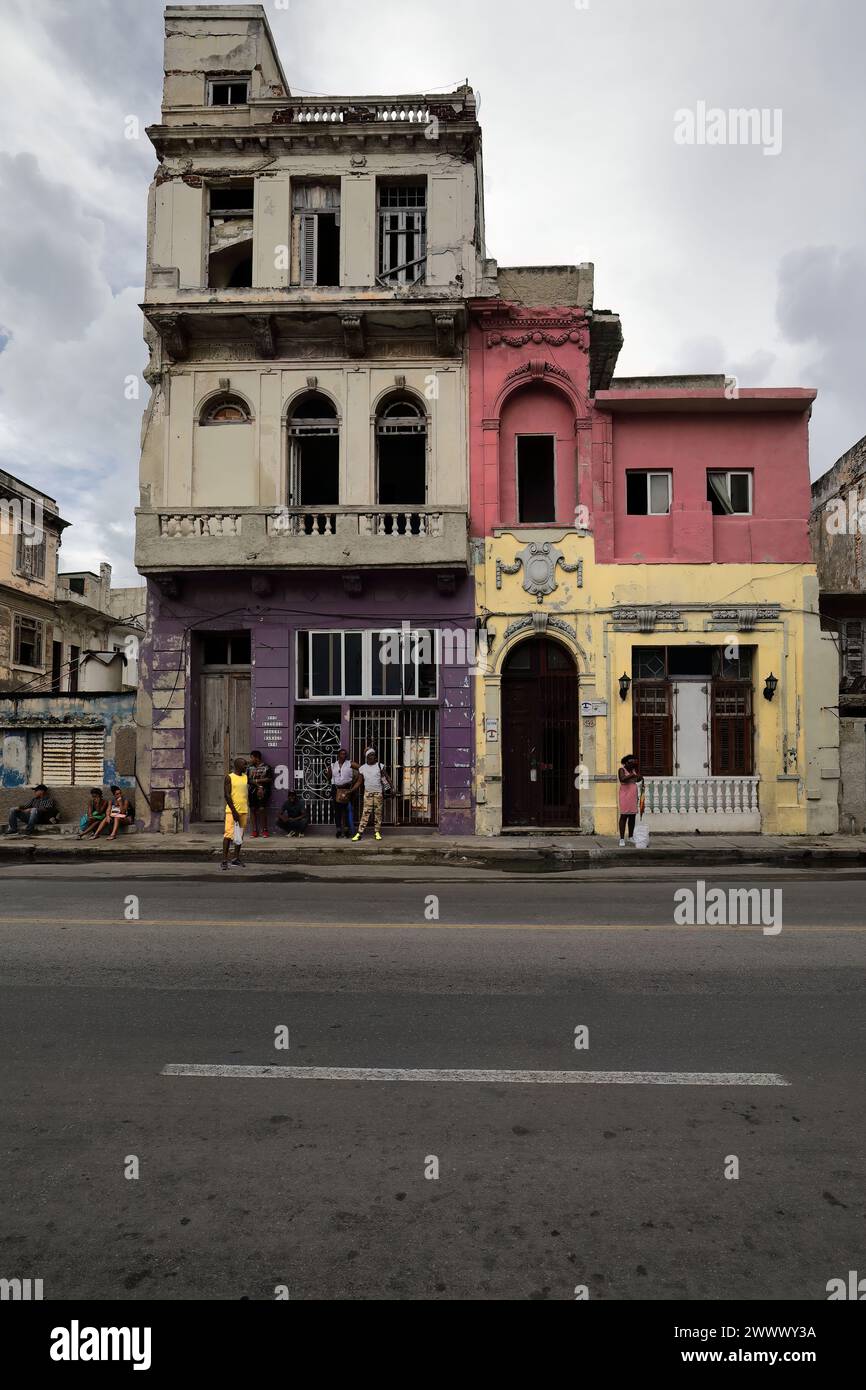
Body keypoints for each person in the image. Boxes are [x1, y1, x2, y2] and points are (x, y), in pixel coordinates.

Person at [351, 747, 392, 843]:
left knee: (378, 813)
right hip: (368, 793)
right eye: (371, 755)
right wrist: (352, 790)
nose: (373, 757)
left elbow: (385, 778)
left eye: (373, 755)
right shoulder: (362, 768)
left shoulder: (379, 766)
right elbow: (359, 782)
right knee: (365, 813)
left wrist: (391, 788)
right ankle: (359, 833)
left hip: (378, 793)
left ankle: (377, 832)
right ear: (367, 757)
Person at [222, 757, 249, 870]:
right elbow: (227, 795)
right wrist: (234, 812)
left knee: (239, 836)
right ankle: (224, 860)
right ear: (237, 766)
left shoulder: (245, 777)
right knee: (228, 835)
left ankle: (236, 859)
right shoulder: (229, 777)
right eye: (244, 765)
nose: (246, 767)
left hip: (243, 810)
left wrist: (259, 787)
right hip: (232, 812)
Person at [330, 748, 358, 839]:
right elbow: (328, 777)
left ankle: (346, 830)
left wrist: (355, 780)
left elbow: (361, 769)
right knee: (337, 811)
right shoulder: (333, 765)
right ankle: (338, 830)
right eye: (341, 754)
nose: (343, 755)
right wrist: (328, 772)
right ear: (338, 755)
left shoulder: (350, 763)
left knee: (346, 810)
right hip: (336, 788)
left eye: (345, 754)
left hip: (346, 789)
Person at [247, 749, 273, 839]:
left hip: (264, 791)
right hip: (252, 791)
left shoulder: (267, 767)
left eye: (251, 758)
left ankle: (265, 830)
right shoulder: (249, 768)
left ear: (256, 758)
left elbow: (269, 779)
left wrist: (258, 782)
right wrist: (258, 785)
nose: (250, 760)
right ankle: (254, 831)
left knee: (262, 809)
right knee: (253, 809)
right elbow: (248, 780)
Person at [618, 753, 643, 846]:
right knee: (624, 816)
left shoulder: (633, 770)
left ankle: (631, 836)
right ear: (626, 762)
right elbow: (622, 779)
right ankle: (621, 838)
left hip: (633, 795)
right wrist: (632, 775)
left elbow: (636, 780)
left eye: (634, 762)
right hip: (625, 795)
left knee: (632, 816)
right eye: (631, 762)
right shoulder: (622, 770)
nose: (633, 764)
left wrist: (639, 778)